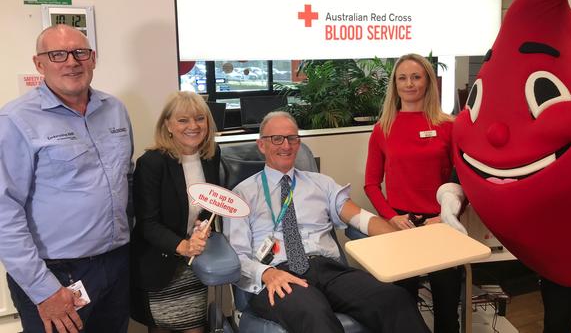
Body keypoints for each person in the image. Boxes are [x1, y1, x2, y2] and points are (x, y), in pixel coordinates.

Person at [224, 111, 430, 333]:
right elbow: (237, 256)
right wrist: (266, 273)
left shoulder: (321, 184)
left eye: (292, 138)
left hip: (328, 269)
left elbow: (360, 217)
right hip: (279, 274)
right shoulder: (241, 195)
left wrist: (404, 239)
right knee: (315, 314)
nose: (286, 145)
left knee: (393, 298)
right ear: (261, 145)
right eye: (277, 139)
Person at [0, 24, 133, 333]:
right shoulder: (16, 121)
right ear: (39, 64)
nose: (72, 62)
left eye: (80, 52)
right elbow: (4, 212)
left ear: (93, 58)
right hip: (57, 273)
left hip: (115, 263)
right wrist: (42, 288)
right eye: (57, 54)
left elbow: (126, 176)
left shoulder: (114, 110)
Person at [364, 53, 462, 333]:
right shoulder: (382, 128)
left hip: (440, 225)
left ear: (428, 82)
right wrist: (391, 217)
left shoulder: (448, 126)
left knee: (447, 309)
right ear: (394, 85)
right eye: (402, 78)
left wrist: (448, 216)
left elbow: (461, 182)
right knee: (403, 309)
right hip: (401, 226)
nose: (409, 84)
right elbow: (371, 184)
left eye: (416, 77)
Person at [130, 91, 221, 333]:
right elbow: (147, 223)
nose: (193, 126)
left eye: (200, 119)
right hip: (160, 266)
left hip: (194, 265)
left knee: (195, 326)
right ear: (167, 125)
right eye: (183, 120)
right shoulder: (152, 163)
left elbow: (207, 207)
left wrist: (203, 227)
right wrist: (183, 245)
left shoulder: (211, 156)